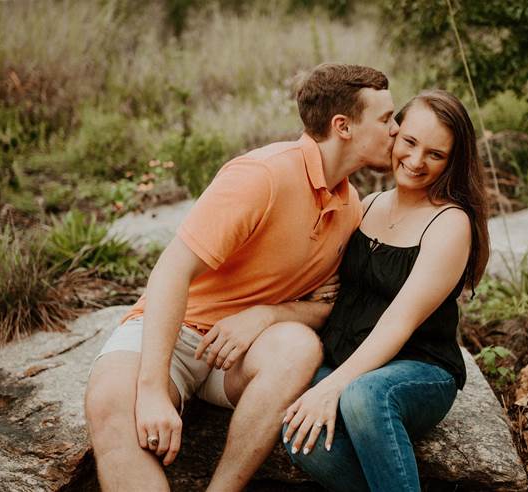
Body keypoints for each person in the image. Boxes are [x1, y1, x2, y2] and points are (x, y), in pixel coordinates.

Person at [84, 63, 399, 491]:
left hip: (240, 356)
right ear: (343, 126)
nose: (396, 130)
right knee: (111, 404)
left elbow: (328, 307)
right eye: (386, 118)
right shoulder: (262, 175)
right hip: (173, 333)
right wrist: (153, 388)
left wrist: (267, 315)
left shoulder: (351, 208)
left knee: (298, 347)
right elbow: (172, 270)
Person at [281, 90, 491, 491]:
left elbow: (400, 321)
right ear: (393, 133)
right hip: (344, 356)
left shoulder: (449, 223)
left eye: (435, 154)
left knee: (363, 396)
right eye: (410, 142)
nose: (416, 160)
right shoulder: (368, 204)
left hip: (418, 368)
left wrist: (333, 385)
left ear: (452, 161)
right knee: (300, 432)